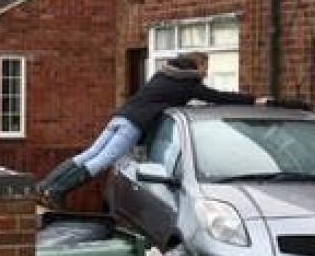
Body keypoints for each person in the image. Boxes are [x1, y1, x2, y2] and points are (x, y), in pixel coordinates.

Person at [36, 52, 269, 208]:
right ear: (196, 66)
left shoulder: (163, 75)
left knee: (89, 154)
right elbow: (219, 97)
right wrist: (253, 101)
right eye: (205, 67)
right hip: (134, 124)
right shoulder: (187, 84)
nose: (206, 72)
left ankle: (46, 186)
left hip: (120, 116)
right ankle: (58, 192)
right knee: (102, 161)